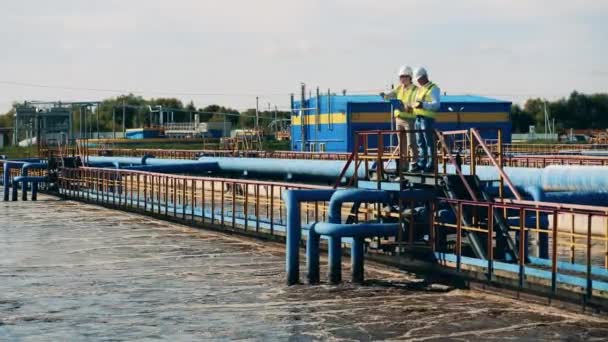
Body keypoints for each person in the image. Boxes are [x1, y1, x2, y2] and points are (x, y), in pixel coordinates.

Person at [380, 65, 418, 171]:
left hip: (410, 119)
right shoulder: (399, 88)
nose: (402, 79)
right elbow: (390, 95)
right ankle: (403, 166)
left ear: (409, 77)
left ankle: (414, 163)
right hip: (399, 119)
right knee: (401, 145)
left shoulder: (415, 89)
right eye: (400, 77)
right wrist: (384, 95)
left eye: (404, 77)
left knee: (411, 143)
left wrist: (408, 106)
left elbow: (417, 103)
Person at [412, 67, 440, 172]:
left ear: (424, 77)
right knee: (420, 142)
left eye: (419, 79)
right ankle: (421, 163)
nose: (418, 81)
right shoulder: (420, 89)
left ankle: (430, 164)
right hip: (418, 119)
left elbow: (436, 105)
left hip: (427, 119)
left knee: (429, 143)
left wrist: (423, 105)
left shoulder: (433, 88)